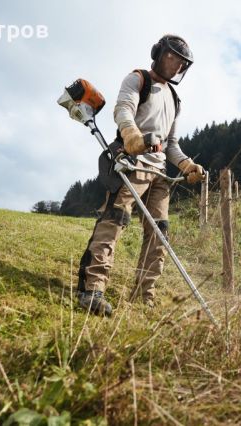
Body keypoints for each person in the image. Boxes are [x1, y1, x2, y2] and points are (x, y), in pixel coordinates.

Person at [77, 34, 204, 316]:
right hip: (132, 162)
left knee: (160, 233)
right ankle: (92, 289)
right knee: (114, 221)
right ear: (158, 53)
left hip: (159, 173)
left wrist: (187, 166)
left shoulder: (175, 99)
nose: (176, 65)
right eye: (172, 57)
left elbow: (171, 145)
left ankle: (143, 296)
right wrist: (131, 134)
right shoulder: (138, 80)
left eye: (182, 63)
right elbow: (123, 110)